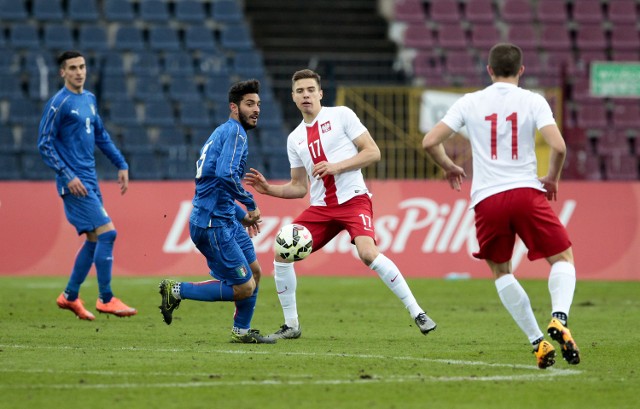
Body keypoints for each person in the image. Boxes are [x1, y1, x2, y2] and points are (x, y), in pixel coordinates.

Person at [245, 69, 437, 340]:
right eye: (300, 91)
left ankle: (417, 312)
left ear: (320, 93)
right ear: (293, 97)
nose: (306, 95)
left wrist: (336, 167)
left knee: (368, 254)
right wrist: (268, 190)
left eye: (311, 90)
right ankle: (291, 325)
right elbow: (300, 187)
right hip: (321, 208)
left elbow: (373, 152)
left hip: (353, 199)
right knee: (281, 253)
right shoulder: (295, 139)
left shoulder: (341, 115)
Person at [421, 43, 580, 369]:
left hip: (487, 199)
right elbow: (559, 146)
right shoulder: (533, 100)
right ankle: (559, 318)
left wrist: (449, 166)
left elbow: (429, 141)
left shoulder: (470, 101)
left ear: (489, 70)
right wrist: (551, 177)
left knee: (501, 271)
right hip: (525, 192)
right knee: (562, 258)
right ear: (521, 71)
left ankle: (538, 342)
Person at [157, 79, 275, 344]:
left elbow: (211, 184)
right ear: (234, 107)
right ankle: (175, 290)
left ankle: (242, 332)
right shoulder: (235, 133)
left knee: (255, 273)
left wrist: (239, 215)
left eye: (258, 104)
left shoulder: (223, 132)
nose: (256, 109)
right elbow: (225, 175)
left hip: (224, 218)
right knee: (244, 287)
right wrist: (251, 203)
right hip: (212, 224)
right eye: (249, 104)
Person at [38, 50, 136, 320]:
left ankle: (69, 296)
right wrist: (67, 175)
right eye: (72, 68)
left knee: (94, 240)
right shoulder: (59, 103)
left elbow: (101, 136)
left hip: (90, 180)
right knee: (108, 234)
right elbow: (44, 144)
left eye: (82, 67)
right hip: (74, 184)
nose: (79, 72)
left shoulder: (89, 99)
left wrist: (121, 163)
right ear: (63, 72)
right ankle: (106, 298)